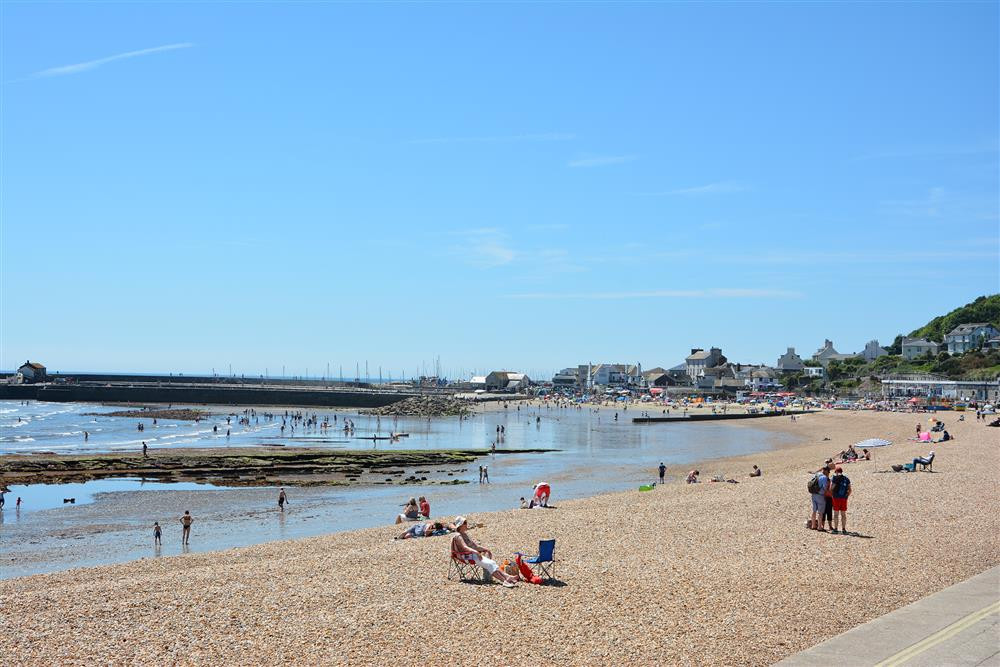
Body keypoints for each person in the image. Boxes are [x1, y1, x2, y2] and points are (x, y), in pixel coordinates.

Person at [450, 516, 518, 587]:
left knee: (492, 563)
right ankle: (504, 581)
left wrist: (486, 549)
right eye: (465, 523)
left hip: (471, 555)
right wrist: (475, 552)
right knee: (489, 565)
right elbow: (465, 547)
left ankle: (507, 576)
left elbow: (475, 546)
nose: (466, 524)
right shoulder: (458, 536)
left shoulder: (464, 534)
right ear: (460, 525)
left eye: (466, 522)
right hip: (465, 557)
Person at [830, 466, 851, 534]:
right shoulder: (846, 479)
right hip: (844, 499)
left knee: (836, 514)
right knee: (843, 514)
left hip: (836, 498)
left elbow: (831, 488)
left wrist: (832, 494)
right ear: (842, 472)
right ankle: (844, 529)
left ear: (836, 472)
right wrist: (846, 496)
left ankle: (836, 529)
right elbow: (850, 490)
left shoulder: (835, 478)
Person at [810, 467, 830, 531]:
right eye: (828, 472)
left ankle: (813, 526)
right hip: (820, 495)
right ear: (826, 471)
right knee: (820, 512)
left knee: (814, 511)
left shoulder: (816, 475)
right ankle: (819, 527)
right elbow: (824, 487)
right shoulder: (824, 477)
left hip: (813, 494)